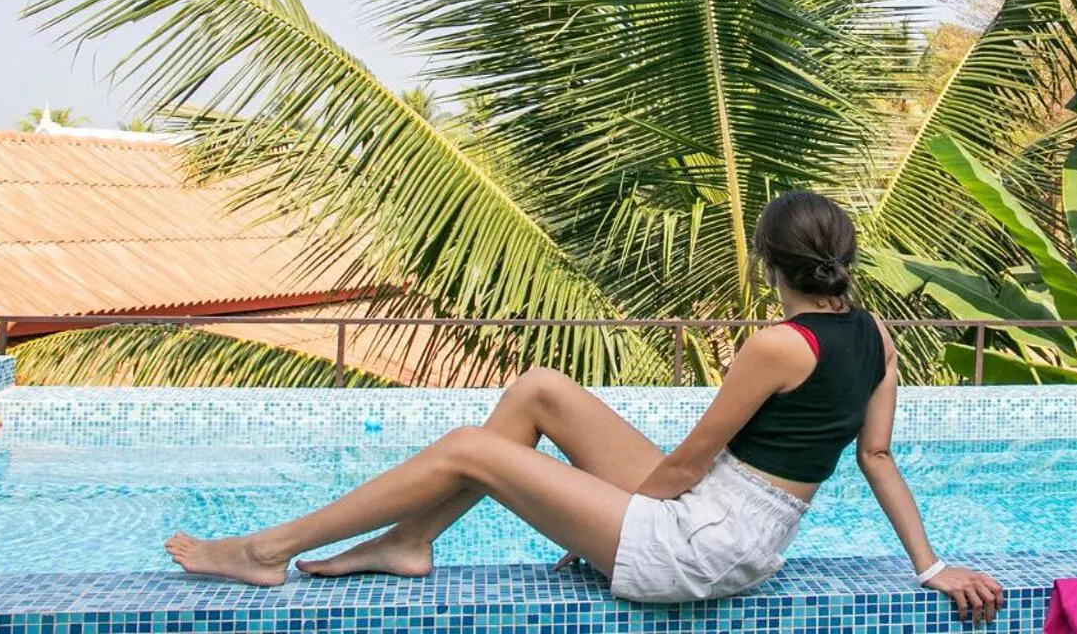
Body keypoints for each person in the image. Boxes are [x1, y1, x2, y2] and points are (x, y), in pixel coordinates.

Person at [166, 191, 1005, 624]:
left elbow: (682, 465)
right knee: (539, 388)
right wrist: (930, 567)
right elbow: (877, 458)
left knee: (473, 448)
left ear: (765, 261)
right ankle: (410, 541)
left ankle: (264, 550)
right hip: (736, 525)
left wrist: (602, 524)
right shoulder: (874, 335)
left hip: (697, 550)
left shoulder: (778, 343)